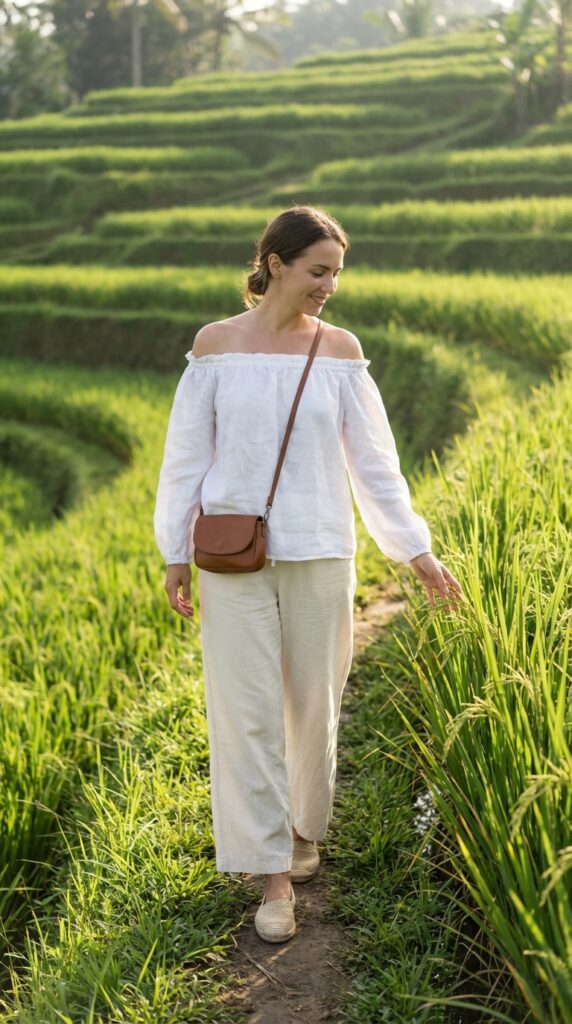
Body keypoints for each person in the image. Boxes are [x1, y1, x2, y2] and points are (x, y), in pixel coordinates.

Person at [153, 204, 464, 944]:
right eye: (318, 271)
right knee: (246, 712)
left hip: (322, 551)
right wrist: (174, 550)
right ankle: (271, 878)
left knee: (314, 705)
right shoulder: (215, 346)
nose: (330, 286)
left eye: (337, 274)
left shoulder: (341, 352)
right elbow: (185, 458)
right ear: (275, 264)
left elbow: (375, 467)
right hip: (233, 557)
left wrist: (415, 550)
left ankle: (300, 829)